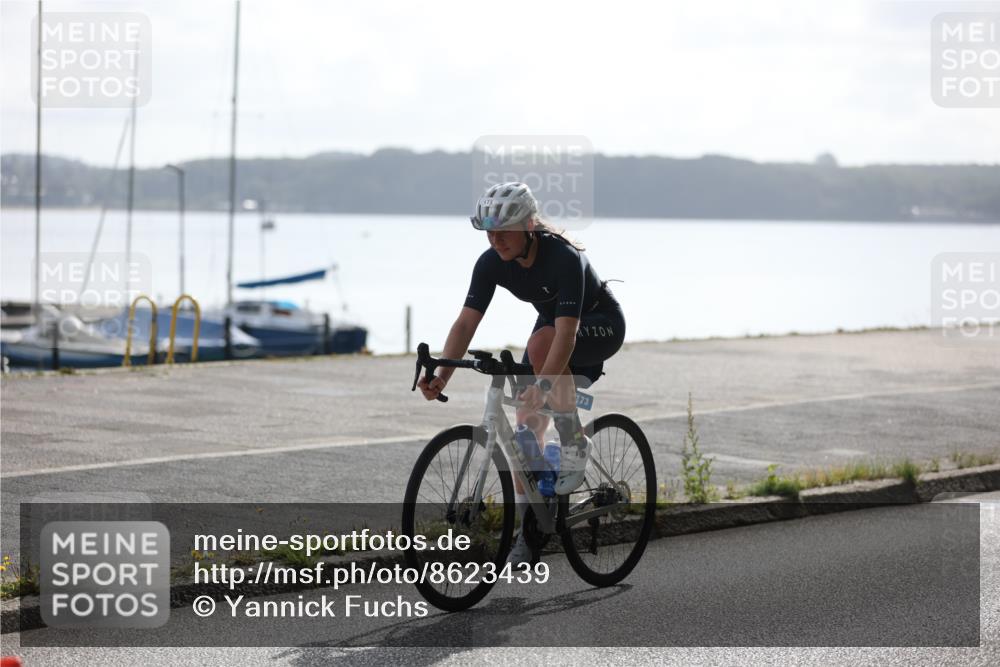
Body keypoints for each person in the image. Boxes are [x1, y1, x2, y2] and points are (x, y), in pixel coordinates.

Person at [417, 182, 625, 563]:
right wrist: (442, 374)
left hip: (599, 325)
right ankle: (531, 532)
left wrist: (544, 384)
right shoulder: (491, 262)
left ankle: (574, 441)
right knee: (525, 429)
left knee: (541, 346)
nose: (495, 240)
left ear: (529, 225)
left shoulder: (563, 257)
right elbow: (465, 324)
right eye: (489, 232)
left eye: (503, 231)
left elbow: (567, 334)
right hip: (552, 330)